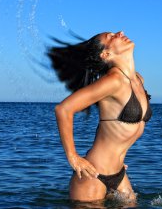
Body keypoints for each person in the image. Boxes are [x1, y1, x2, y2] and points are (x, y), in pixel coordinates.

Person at [46, 31, 152, 203]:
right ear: (106, 54)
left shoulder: (138, 79)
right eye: (111, 37)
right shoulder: (113, 81)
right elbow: (63, 109)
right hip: (93, 175)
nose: (120, 33)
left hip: (119, 173)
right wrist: (73, 157)